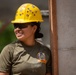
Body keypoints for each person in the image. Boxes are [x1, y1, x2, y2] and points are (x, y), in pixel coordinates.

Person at [0, 3, 52, 75]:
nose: (17, 29)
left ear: (34, 28)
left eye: (22, 25)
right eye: (16, 26)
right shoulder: (9, 50)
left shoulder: (45, 51)